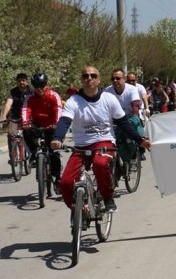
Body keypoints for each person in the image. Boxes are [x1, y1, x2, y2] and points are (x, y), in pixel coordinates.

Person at [50, 66, 152, 213]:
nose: (89, 79)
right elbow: (65, 121)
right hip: (81, 146)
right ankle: (79, 211)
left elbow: (123, 123)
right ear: (81, 80)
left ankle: (108, 198)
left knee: (100, 163)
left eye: (93, 76)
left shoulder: (108, 99)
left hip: (103, 141)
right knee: (65, 183)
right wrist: (57, 138)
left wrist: (140, 140)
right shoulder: (74, 100)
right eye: (85, 76)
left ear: (98, 80)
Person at [21, 74, 63, 188]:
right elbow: (26, 109)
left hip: (52, 126)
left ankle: (57, 179)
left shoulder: (53, 95)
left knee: (54, 153)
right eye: (36, 86)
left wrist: (56, 123)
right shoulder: (30, 97)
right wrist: (25, 122)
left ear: (46, 84)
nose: (39, 88)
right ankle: (33, 154)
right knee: (25, 132)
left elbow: (58, 109)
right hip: (37, 125)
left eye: (42, 85)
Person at [0, 73, 33, 151]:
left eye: (23, 80)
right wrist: (4, 116)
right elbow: (8, 104)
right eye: (19, 81)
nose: (21, 82)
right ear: (17, 82)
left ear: (27, 81)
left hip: (29, 118)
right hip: (15, 118)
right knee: (11, 135)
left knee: (32, 134)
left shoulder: (32, 91)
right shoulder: (13, 92)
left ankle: (33, 154)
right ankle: (13, 156)